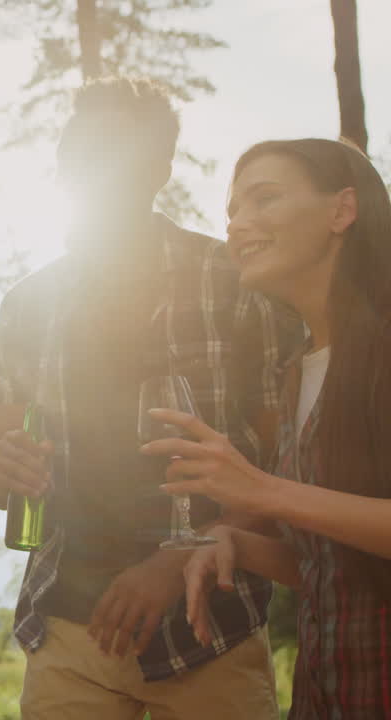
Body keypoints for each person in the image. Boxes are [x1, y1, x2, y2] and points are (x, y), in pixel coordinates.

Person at [0, 76, 299, 719]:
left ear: (157, 170)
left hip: (212, 630)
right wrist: (0, 469)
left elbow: (281, 473)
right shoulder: (28, 305)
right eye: (75, 152)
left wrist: (176, 562)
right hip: (68, 633)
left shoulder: (237, 284)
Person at [145, 138, 391, 719]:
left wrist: (263, 490)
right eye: (232, 210)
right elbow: (331, 567)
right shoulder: (296, 372)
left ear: (342, 210)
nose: (237, 224)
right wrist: (237, 543)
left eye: (265, 199)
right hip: (330, 692)